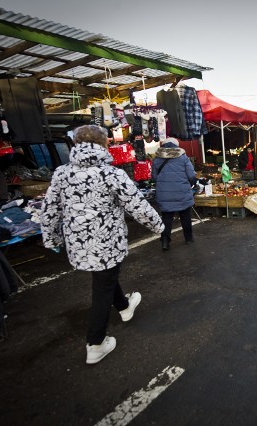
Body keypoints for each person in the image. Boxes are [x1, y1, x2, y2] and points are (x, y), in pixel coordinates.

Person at [40, 125, 164, 365]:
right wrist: (159, 226)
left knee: (105, 277)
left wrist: (52, 238)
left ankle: (125, 306)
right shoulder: (111, 174)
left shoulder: (61, 173)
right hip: (107, 243)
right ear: (104, 145)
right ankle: (95, 343)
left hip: (79, 244)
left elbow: (50, 210)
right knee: (102, 286)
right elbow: (136, 205)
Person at [152, 138, 197, 250]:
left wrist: (163, 184)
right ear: (177, 146)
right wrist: (191, 184)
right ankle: (189, 239)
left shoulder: (157, 159)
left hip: (164, 194)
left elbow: (154, 177)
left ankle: (165, 242)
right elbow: (191, 175)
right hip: (182, 192)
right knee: (185, 216)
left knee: (167, 218)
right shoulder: (183, 158)